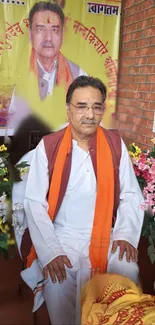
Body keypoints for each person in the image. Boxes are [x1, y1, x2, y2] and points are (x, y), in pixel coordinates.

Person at [23, 76, 144, 325]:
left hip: (105, 233)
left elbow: (131, 193)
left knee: (127, 268)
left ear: (102, 111)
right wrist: (50, 252)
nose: (90, 114)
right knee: (57, 278)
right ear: (68, 110)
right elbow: (34, 202)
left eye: (96, 107)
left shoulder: (114, 144)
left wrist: (124, 234)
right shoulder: (49, 147)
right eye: (82, 106)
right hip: (62, 234)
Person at [7, 1, 87, 134]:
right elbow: (12, 128)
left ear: (62, 34)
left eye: (55, 30)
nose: (48, 38)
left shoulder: (79, 76)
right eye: (40, 29)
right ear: (30, 35)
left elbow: (88, 123)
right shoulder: (20, 75)